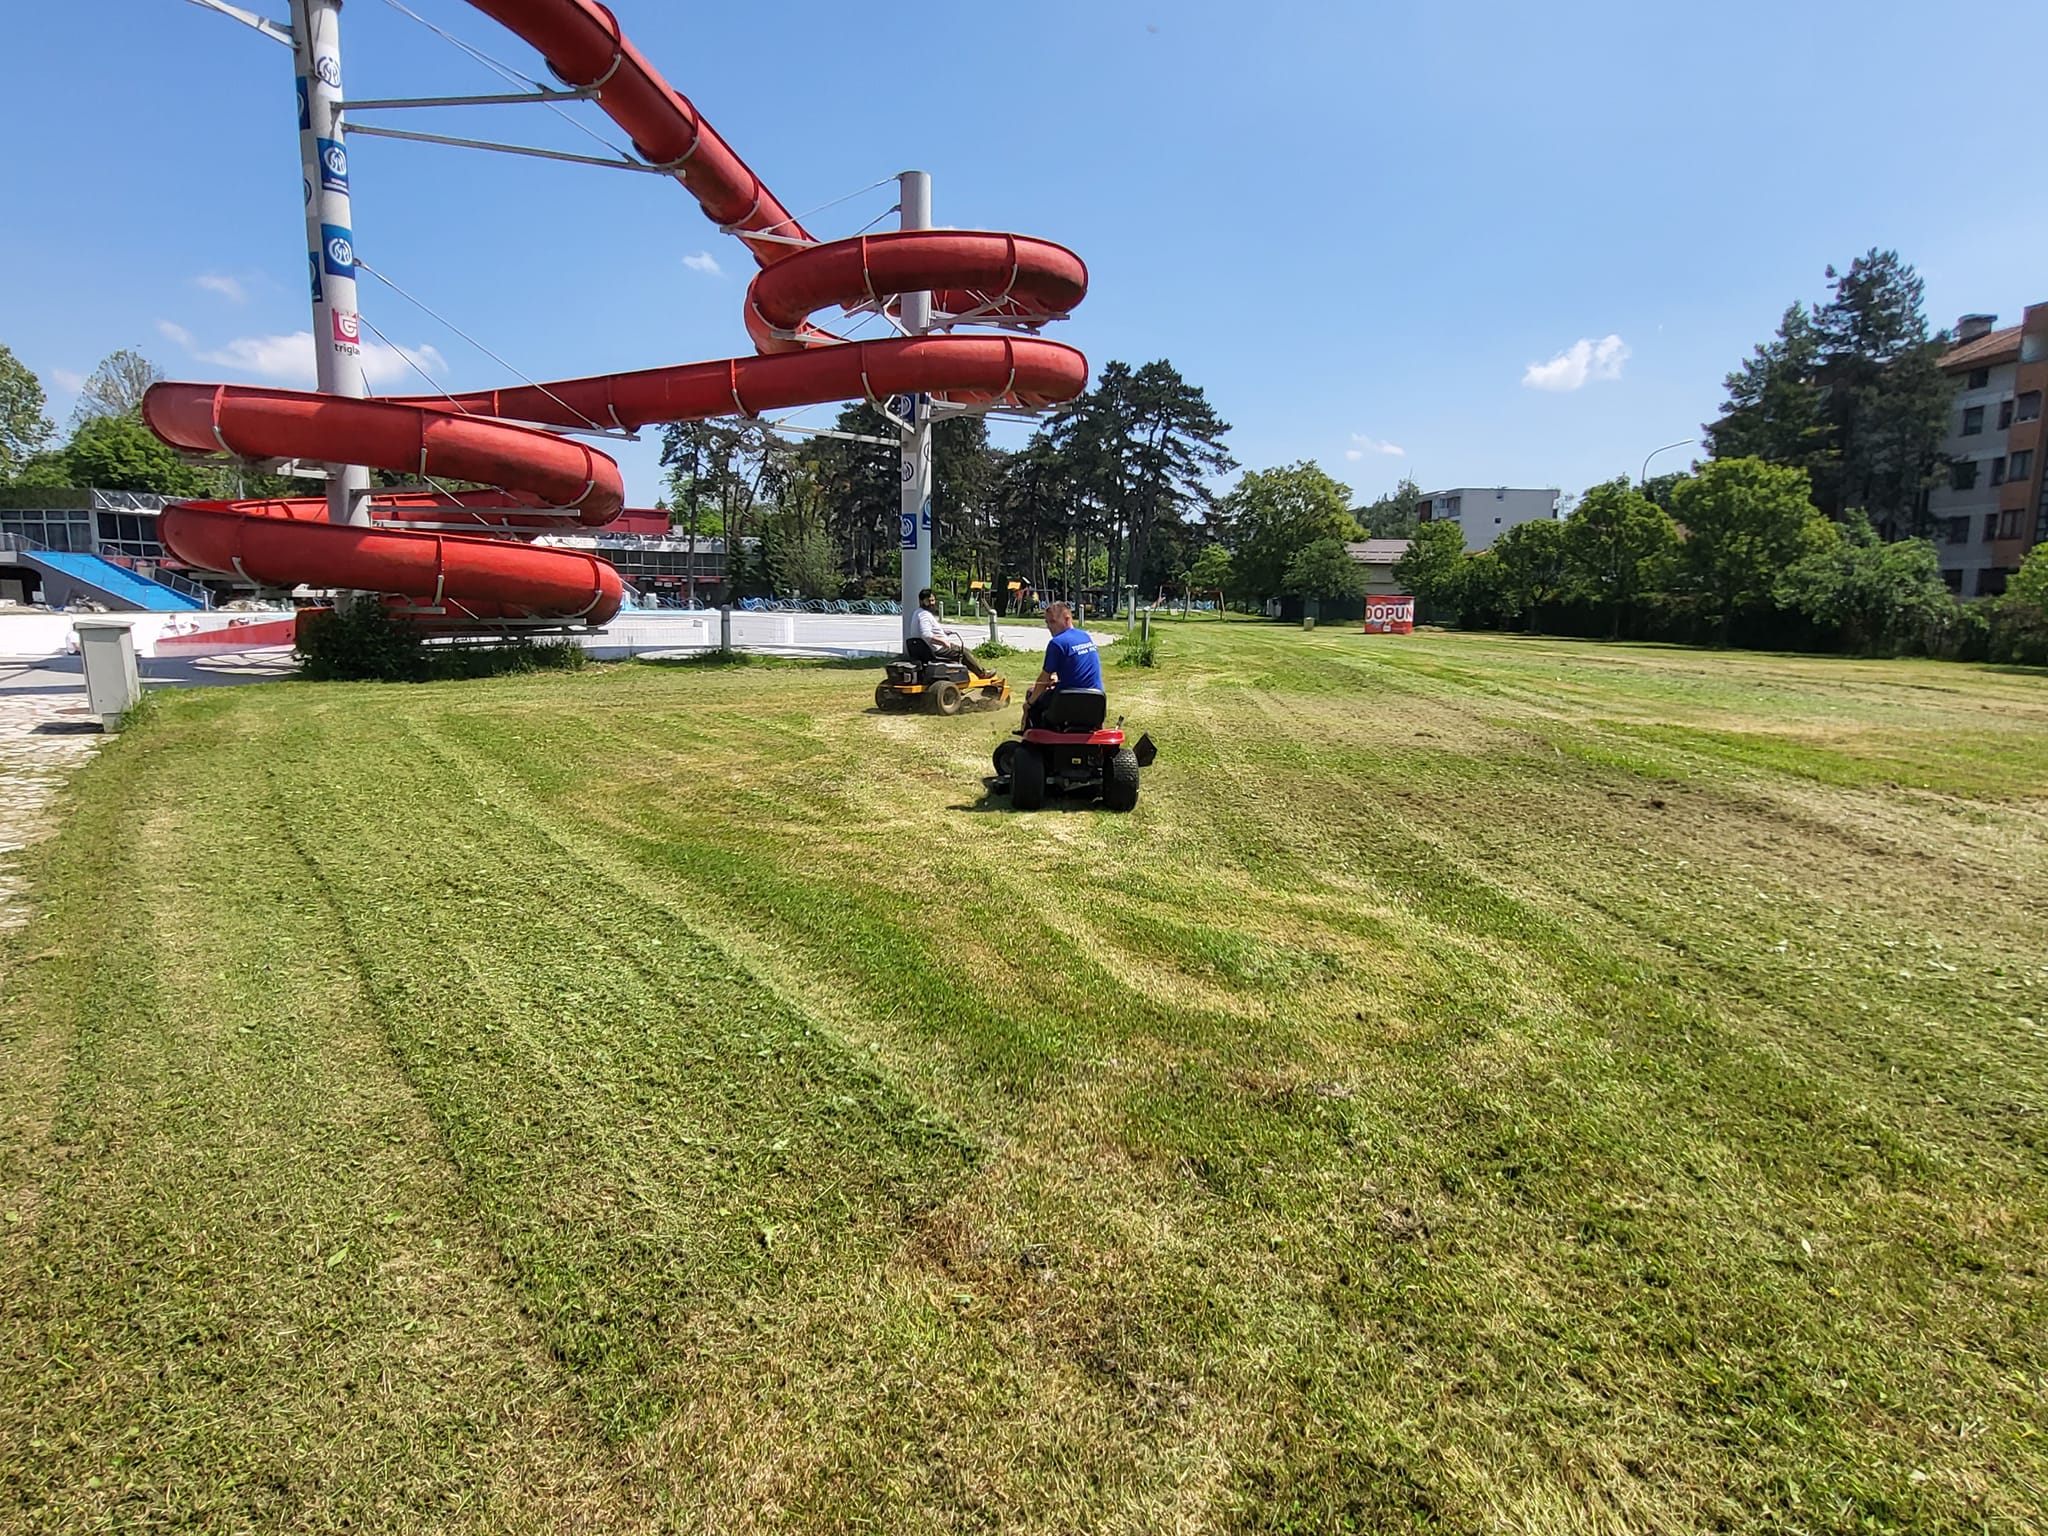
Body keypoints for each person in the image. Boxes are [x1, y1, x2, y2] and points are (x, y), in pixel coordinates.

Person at [1023, 600, 1104, 729]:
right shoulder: (1085, 636)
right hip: (1096, 701)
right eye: (1047, 622)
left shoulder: (1057, 643)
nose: (1049, 626)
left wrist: (1029, 703)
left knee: (1032, 695)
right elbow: (1079, 669)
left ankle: (1030, 740)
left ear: (1067, 619)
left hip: (1069, 702)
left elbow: (1044, 679)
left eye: (1053, 621)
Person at [910, 588, 994, 678]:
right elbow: (926, 635)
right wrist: (943, 642)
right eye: (929, 601)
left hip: (927, 649)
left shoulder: (917, 613)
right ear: (921, 601)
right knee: (964, 652)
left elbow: (927, 631)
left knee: (962, 651)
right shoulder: (924, 615)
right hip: (936, 649)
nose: (932, 603)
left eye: (933, 600)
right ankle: (982, 673)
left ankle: (970, 670)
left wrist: (942, 631)